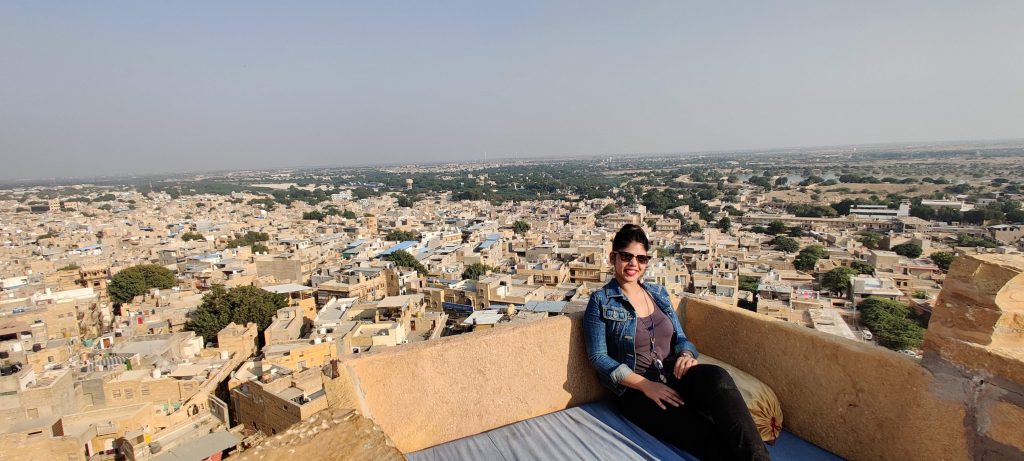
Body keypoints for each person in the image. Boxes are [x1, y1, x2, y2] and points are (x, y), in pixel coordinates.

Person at [584, 224, 770, 461]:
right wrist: (645, 385)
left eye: (641, 258)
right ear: (613, 257)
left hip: (675, 374)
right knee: (705, 435)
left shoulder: (658, 293)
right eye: (626, 256)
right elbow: (598, 357)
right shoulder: (601, 301)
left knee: (718, 379)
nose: (633, 264)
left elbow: (681, 338)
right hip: (637, 391)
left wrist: (686, 355)